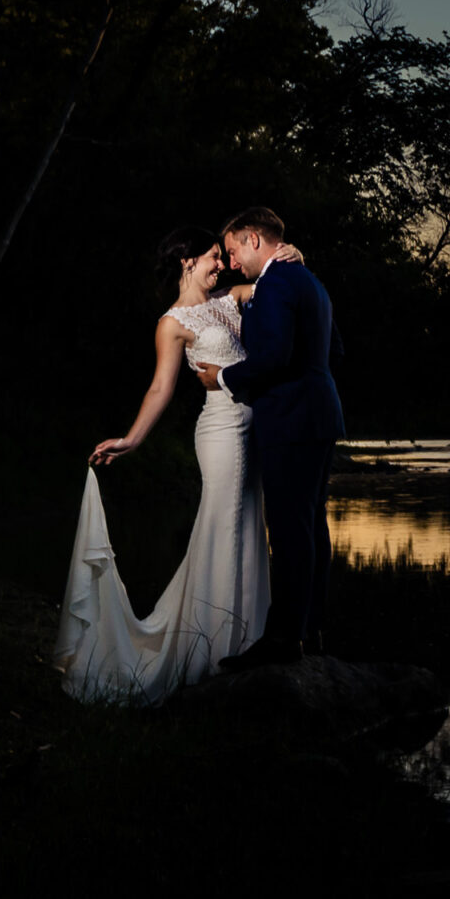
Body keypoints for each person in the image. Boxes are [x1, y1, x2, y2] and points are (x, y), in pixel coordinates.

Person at [52, 226, 298, 701]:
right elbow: (160, 388)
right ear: (186, 262)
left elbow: (275, 278)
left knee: (249, 527)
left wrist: (293, 254)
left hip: (256, 430)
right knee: (223, 525)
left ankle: (247, 641)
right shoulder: (172, 323)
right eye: (211, 256)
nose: (220, 263)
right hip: (221, 433)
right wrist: (131, 440)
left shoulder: (231, 297)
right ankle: (209, 653)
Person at [199, 205, 344, 669]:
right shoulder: (307, 280)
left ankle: (283, 642)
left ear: (255, 239)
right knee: (310, 528)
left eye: (234, 248)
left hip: (292, 418)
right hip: (319, 414)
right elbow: (333, 348)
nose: (233, 260)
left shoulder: (279, 281)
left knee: (289, 531)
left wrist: (222, 377)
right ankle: (311, 629)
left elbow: (276, 356)